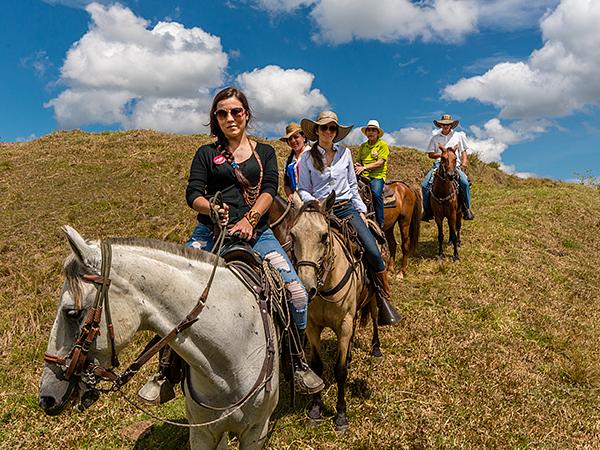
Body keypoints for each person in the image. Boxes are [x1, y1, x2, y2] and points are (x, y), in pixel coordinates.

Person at [139, 87, 323, 403]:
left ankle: (296, 361)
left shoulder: (264, 152)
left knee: (297, 294)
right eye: (222, 113)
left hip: (259, 234)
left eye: (235, 111)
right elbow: (192, 193)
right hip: (210, 233)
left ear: (246, 114)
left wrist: (250, 219)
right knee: (171, 290)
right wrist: (210, 208)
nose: (229, 118)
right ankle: (166, 372)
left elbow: (268, 190)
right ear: (216, 119)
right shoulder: (206, 154)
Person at [297, 111, 401, 326]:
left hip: (345, 209)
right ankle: (295, 300)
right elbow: (302, 189)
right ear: (316, 131)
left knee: (372, 250)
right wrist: (316, 203)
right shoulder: (307, 157)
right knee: (297, 247)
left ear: (336, 132)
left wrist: (361, 211)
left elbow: (353, 186)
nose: (328, 131)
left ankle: (383, 298)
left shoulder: (345, 154)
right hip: (319, 211)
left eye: (332, 128)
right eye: (324, 127)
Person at [421, 114, 474, 221]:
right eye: (444, 124)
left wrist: (464, 163)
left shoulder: (459, 136)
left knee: (464, 182)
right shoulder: (435, 138)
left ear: (451, 125)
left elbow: (463, 152)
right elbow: (430, 154)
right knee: (424, 185)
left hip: (455, 165)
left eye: (448, 124)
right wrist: (443, 155)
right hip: (438, 165)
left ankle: (467, 209)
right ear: (440, 125)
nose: (446, 126)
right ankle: (427, 211)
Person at [354, 119, 389, 229]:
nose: (370, 132)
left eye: (373, 130)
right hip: (363, 175)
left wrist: (364, 167)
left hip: (377, 176)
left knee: (376, 193)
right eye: (369, 130)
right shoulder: (363, 146)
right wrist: (357, 165)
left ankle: (380, 220)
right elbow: (359, 160)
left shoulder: (382, 145)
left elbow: (380, 162)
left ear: (378, 133)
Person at [281, 122, 310, 199]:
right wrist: (290, 194)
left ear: (303, 137)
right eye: (290, 139)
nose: (293, 141)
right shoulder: (288, 162)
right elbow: (286, 184)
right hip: (297, 200)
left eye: (296, 137)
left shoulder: (312, 155)